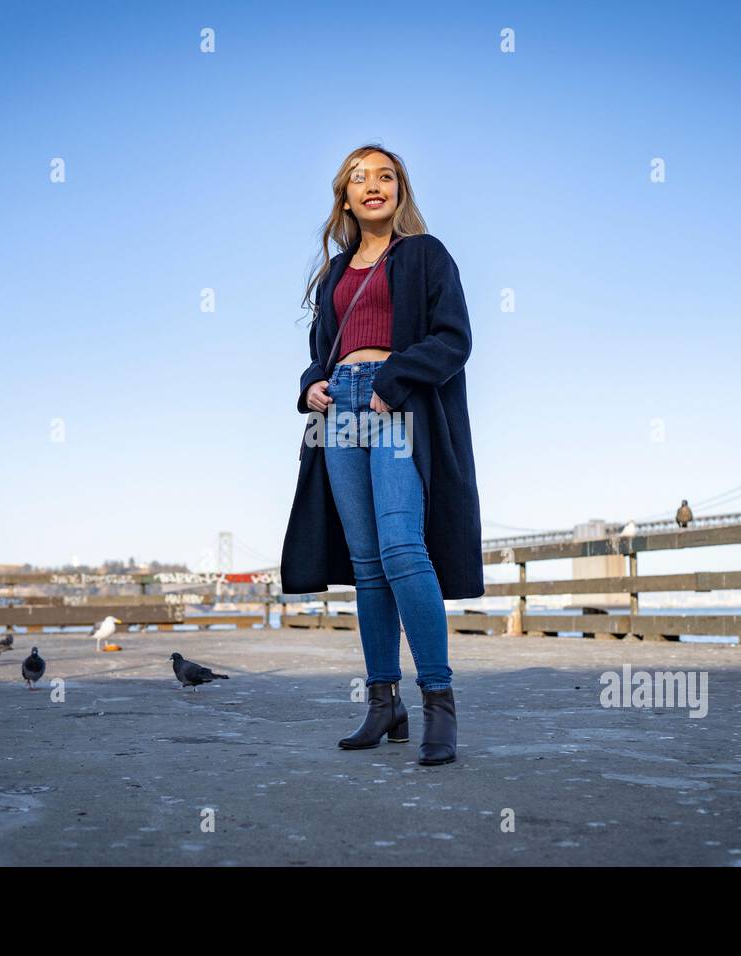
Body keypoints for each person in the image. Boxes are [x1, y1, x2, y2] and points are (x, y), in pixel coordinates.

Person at [280, 144, 484, 766]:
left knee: (402, 549)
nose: (374, 186)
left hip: (393, 405)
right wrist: (310, 383)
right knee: (367, 564)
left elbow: (454, 339)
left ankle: (439, 705)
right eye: (359, 179)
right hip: (339, 410)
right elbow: (327, 348)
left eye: (386, 176)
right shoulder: (336, 272)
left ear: (400, 191)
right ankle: (382, 704)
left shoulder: (424, 254)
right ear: (344, 197)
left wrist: (395, 383)